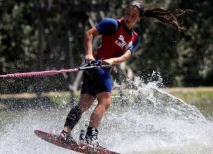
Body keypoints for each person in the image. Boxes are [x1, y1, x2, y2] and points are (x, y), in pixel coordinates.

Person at [59, 0, 189, 146]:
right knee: (105, 101)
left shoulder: (135, 38)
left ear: (139, 19)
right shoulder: (113, 24)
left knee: (84, 104)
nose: (128, 17)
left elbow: (126, 56)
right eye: (127, 13)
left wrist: (113, 61)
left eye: (133, 16)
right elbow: (89, 34)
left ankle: (65, 132)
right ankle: (89, 139)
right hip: (95, 65)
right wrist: (89, 54)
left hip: (103, 67)